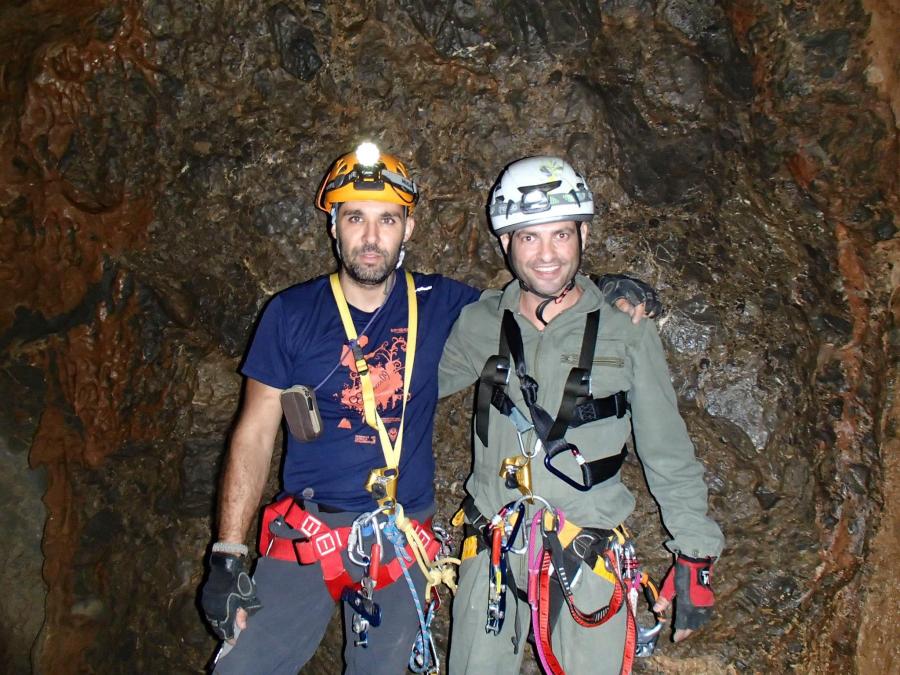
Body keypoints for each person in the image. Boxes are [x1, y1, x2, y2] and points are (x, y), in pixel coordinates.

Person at [199, 144, 659, 675]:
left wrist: (606, 291)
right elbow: (254, 434)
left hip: (400, 541)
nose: (371, 237)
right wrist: (228, 552)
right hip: (308, 532)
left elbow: (535, 298)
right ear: (334, 226)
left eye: (387, 220)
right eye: (355, 218)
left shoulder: (442, 303)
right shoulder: (290, 313)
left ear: (408, 229)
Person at [439, 156, 725, 675]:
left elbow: (666, 449)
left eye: (561, 235)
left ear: (583, 235)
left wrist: (695, 557)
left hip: (588, 555)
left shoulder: (626, 330)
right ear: (505, 242)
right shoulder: (478, 323)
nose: (547, 254)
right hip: (493, 551)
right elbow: (407, 390)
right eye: (529, 237)